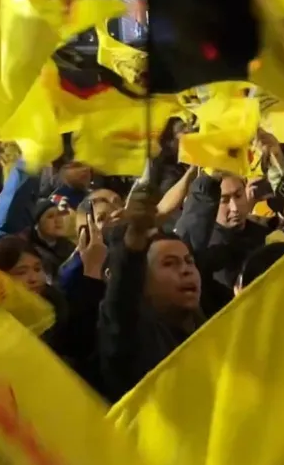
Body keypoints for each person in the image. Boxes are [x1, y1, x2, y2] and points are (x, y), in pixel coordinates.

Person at [98, 188, 203, 401]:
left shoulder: (210, 328)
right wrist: (134, 242)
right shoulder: (134, 339)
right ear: (142, 280)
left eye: (189, 261)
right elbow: (120, 306)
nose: (186, 270)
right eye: (169, 264)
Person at [176, 171, 268, 310]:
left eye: (238, 195)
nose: (235, 208)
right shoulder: (200, 248)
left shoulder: (266, 234)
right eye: (224, 200)